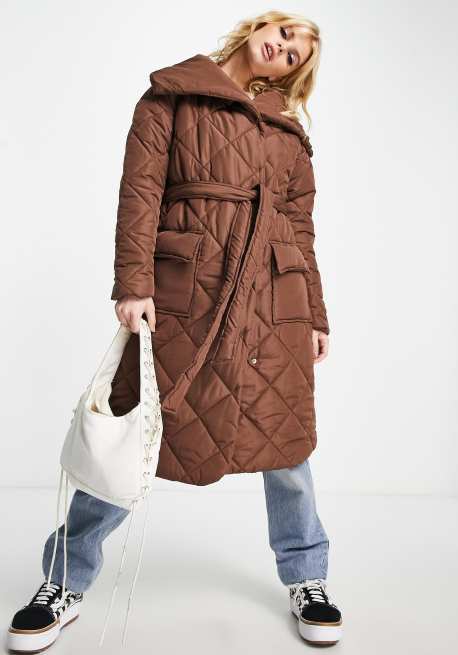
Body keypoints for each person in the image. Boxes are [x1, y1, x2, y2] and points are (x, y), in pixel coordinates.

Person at [6, 10, 341, 652]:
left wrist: (316, 315)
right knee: (131, 435)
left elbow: (300, 230)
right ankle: (63, 581)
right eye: (284, 34)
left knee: (288, 444)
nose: (284, 49)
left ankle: (308, 577)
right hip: (187, 295)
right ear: (259, 26)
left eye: (297, 54)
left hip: (275, 302)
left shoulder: (288, 134)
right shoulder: (171, 94)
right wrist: (133, 284)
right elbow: (140, 192)